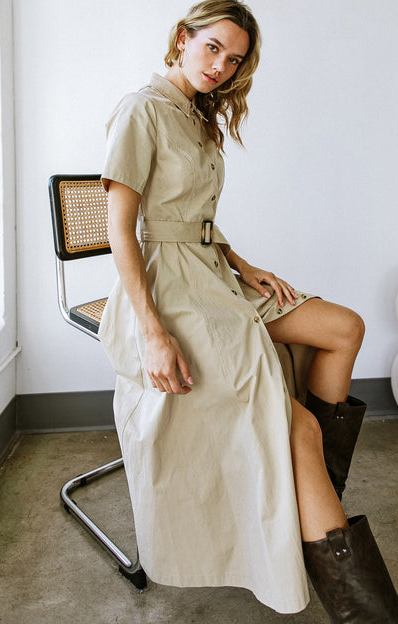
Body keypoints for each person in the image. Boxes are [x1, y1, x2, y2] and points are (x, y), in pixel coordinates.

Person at [99, 0, 398, 619]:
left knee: (343, 328)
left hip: (213, 274)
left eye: (233, 60)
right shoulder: (141, 110)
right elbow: (123, 229)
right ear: (183, 37)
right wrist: (152, 332)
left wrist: (240, 262)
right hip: (170, 290)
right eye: (213, 48)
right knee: (302, 429)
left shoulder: (200, 119)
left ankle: (307, 503)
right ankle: (367, 609)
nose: (221, 67)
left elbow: (190, 215)